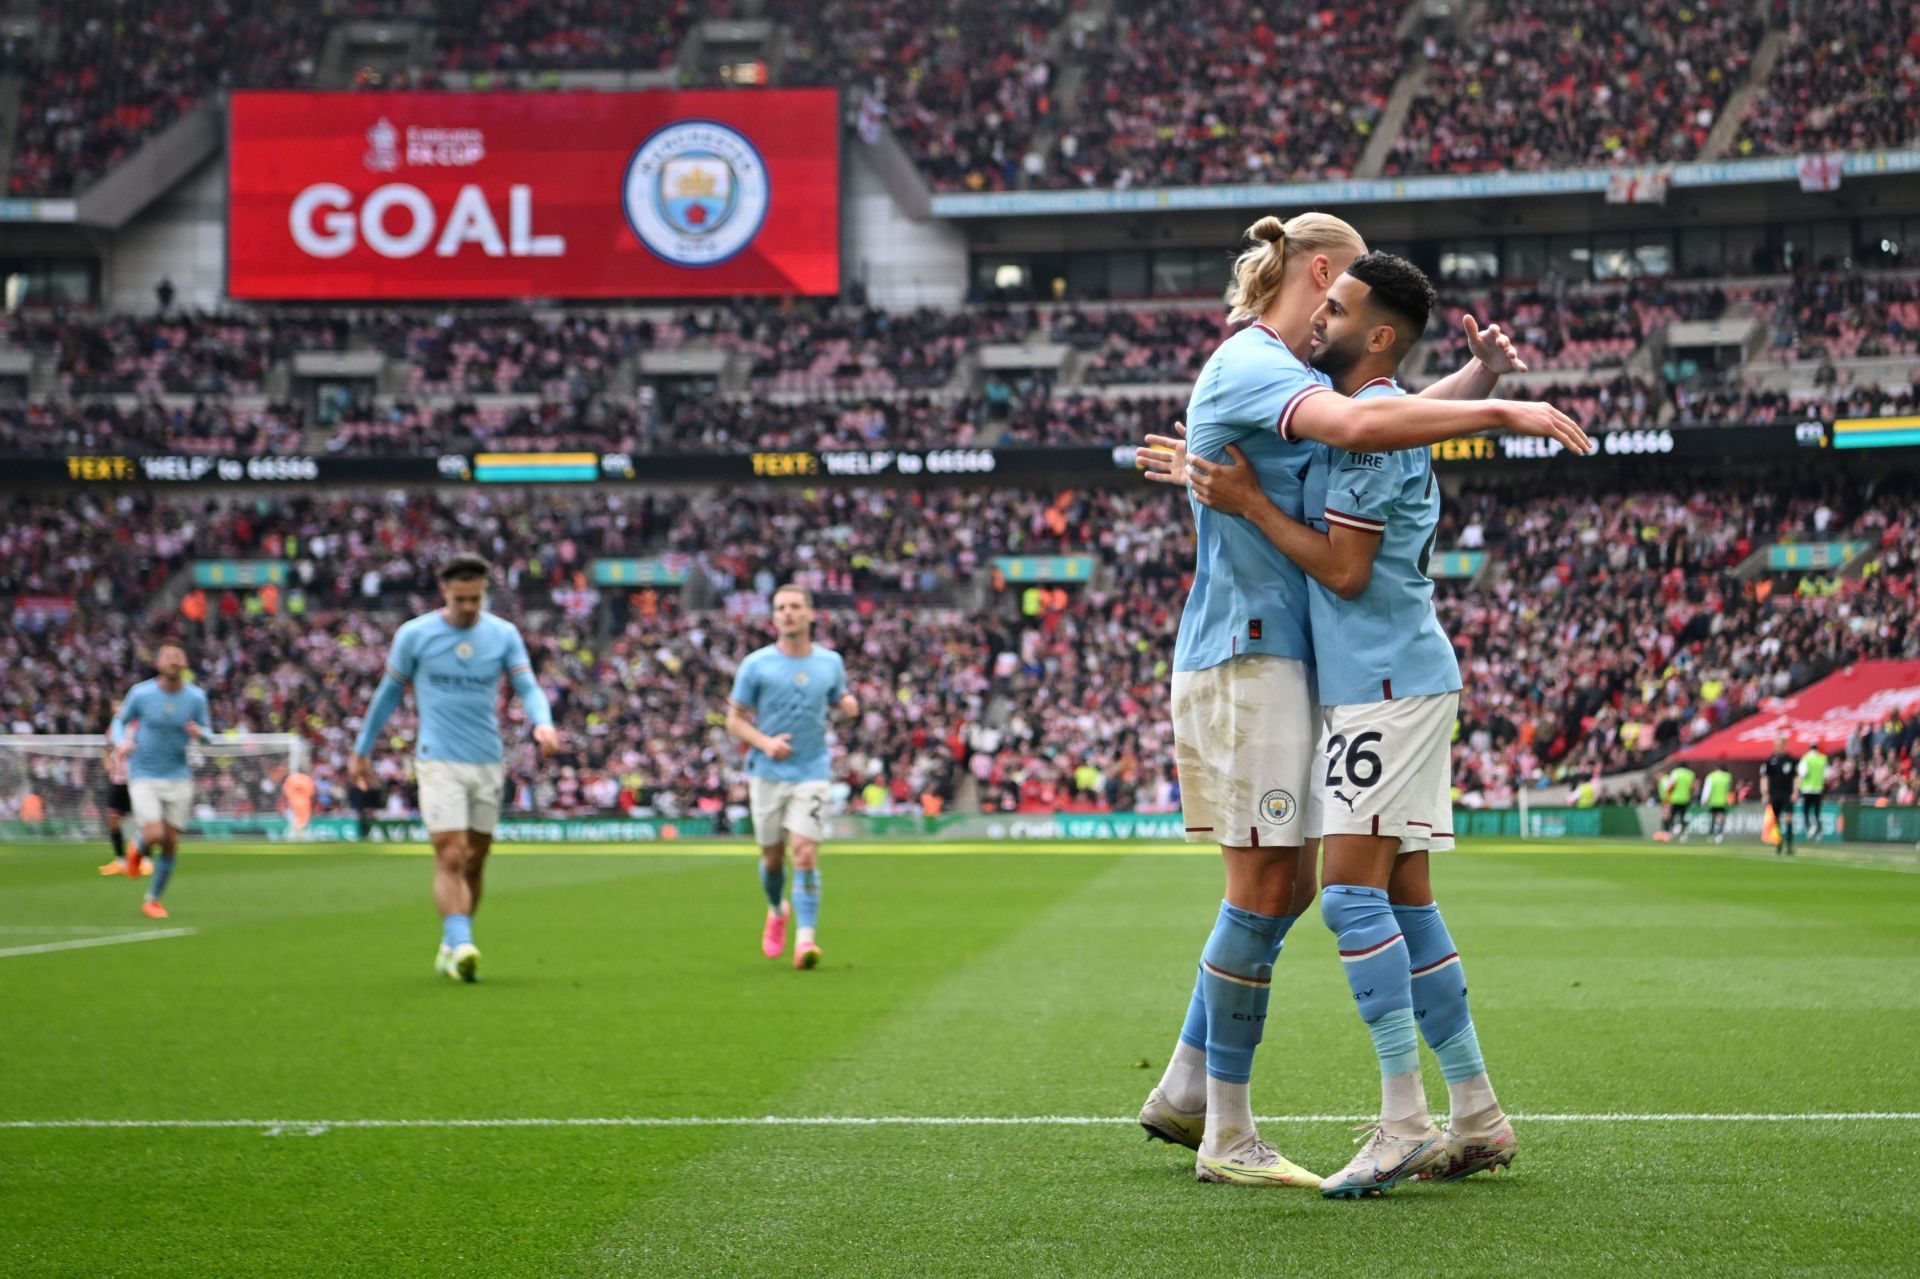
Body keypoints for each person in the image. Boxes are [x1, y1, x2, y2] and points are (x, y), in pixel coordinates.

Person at [1133, 218, 1583, 1190]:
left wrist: (1492, 403)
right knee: (1347, 893)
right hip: (1324, 668)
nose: (1326, 320)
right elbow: (1381, 408)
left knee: (1326, 893)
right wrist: (1485, 391)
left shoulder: (1338, 401)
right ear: (1321, 275)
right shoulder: (1284, 372)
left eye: (1343, 313)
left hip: (1364, 680)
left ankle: (1384, 1116)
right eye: (1328, 302)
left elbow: (1363, 470)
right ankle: (1464, 1112)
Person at [350, 555, 559, 983]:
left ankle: (452, 944)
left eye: (476, 598)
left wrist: (544, 723)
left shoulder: (503, 635)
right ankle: (462, 941)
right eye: (461, 599)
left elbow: (527, 686)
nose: (468, 607)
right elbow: (388, 694)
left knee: (476, 860)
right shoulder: (415, 635)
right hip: (437, 758)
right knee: (451, 851)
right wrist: (361, 750)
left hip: (487, 759)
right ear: (444, 591)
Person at [725, 584, 858, 970]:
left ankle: (806, 941)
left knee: (804, 851)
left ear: (810, 614)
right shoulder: (756, 664)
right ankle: (775, 908)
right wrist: (764, 743)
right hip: (767, 772)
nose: (787, 613)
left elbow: (840, 701)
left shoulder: (830, 662)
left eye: (795, 606)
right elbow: (734, 721)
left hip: (813, 770)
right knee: (771, 859)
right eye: (781, 607)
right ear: (773, 617)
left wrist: (849, 706)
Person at [108, 641, 212, 919]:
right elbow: (120, 721)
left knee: (170, 842)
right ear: (158, 663)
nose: (173, 659)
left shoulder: (196, 698)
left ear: (185, 662)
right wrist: (121, 743)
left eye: (178, 655)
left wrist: (200, 734)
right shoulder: (141, 694)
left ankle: (152, 899)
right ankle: (138, 847)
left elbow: (209, 732)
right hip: (143, 772)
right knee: (155, 833)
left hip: (178, 775)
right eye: (168, 656)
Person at [97, 738, 146, 877]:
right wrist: (108, 762)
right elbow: (105, 746)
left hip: (137, 780)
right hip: (118, 781)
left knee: (145, 821)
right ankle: (120, 861)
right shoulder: (116, 726)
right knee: (112, 819)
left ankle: (145, 861)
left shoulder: (138, 724)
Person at [1762, 735, 1798, 856]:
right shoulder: (1769, 761)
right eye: (1776, 745)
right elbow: (1765, 778)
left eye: (1780, 745)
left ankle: (1789, 845)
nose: (1777, 747)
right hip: (1774, 794)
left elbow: (1796, 777)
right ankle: (1778, 843)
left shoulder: (1791, 760)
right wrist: (1765, 793)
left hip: (1787, 794)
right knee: (1775, 820)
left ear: (1784, 745)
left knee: (1788, 818)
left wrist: (1795, 792)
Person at [1797, 743, 1829, 843]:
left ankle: (1811, 828)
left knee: (1806, 811)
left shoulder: (1806, 758)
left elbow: (1802, 773)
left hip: (1807, 789)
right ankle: (1819, 832)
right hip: (1818, 789)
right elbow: (1827, 774)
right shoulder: (1823, 759)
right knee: (1817, 811)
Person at [1663, 762, 1698, 841]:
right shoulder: (1690, 774)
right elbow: (1692, 787)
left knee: (1672, 816)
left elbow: (1671, 785)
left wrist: (1667, 796)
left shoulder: (1675, 772)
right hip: (1685, 799)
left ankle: (1669, 833)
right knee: (1683, 817)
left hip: (1675, 799)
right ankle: (1684, 835)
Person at [1703, 764, 1734, 843]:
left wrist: (1704, 800)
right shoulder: (1727, 777)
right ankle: (1719, 834)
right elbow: (1729, 789)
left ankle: (1711, 833)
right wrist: (1730, 800)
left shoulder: (1711, 776)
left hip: (1713, 801)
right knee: (1721, 818)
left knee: (1713, 819)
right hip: (1723, 801)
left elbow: (1707, 789)